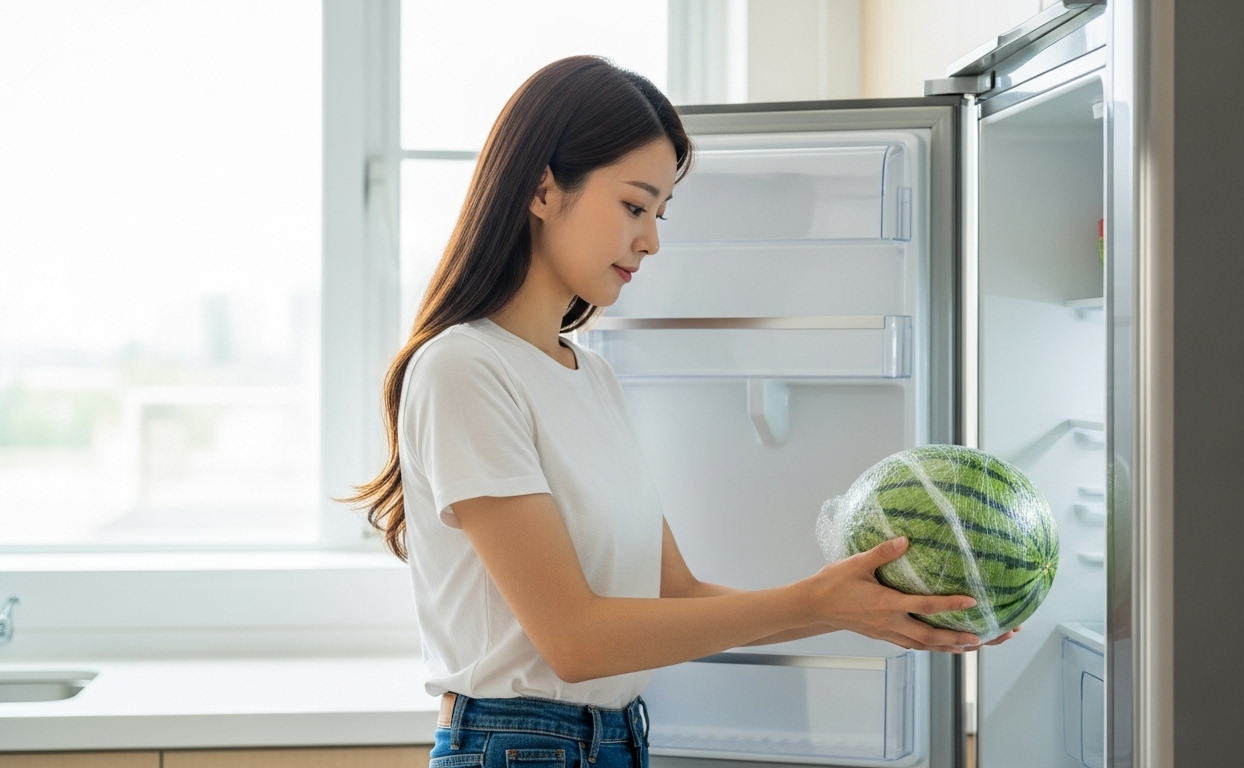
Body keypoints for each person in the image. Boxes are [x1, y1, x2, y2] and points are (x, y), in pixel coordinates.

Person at [348, 56, 1013, 768]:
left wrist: (863, 609)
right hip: (518, 747)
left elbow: (678, 595)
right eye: (635, 206)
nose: (652, 241)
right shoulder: (463, 368)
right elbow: (574, 641)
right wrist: (814, 602)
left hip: (616, 740)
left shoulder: (592, 377)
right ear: (543, 188)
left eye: (659, 213)